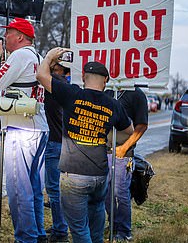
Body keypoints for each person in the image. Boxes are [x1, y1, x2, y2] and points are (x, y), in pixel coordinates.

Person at [37, 48, 133, 243]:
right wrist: (105, 137)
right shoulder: (113, 104)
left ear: (83, 77)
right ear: (106, 80)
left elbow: (41, 75)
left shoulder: (71, 93)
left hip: (74, 175)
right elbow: (129, 130)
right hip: (99, 175)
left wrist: (49, 57)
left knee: (80, 231)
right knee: (96, 227)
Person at [0, 17, 48, 243]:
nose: (6, 38)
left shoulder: (20, 55)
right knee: (33, 188)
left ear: (21, 37)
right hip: (39, 127)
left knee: (18, 189)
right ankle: (38, 233)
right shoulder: (37, 57)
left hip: (21, 128)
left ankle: (26, 237)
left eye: (9, 33)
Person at [104, 87, 148, 242]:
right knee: (106, 193)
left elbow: (142, 125)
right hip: (104, 151)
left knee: (120, 193)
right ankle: (113, 225)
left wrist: (124, 147)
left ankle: (124, 231)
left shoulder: (136, 94)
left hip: (123, 154)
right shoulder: (107, 90)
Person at [44, 60, 71, 243]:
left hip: (54, 142)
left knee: (54, 189)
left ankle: (60, 231)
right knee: (59, 188)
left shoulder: (54, 84)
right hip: (64, 141)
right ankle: (59, 225)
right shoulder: (67, 85)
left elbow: (39, 73)